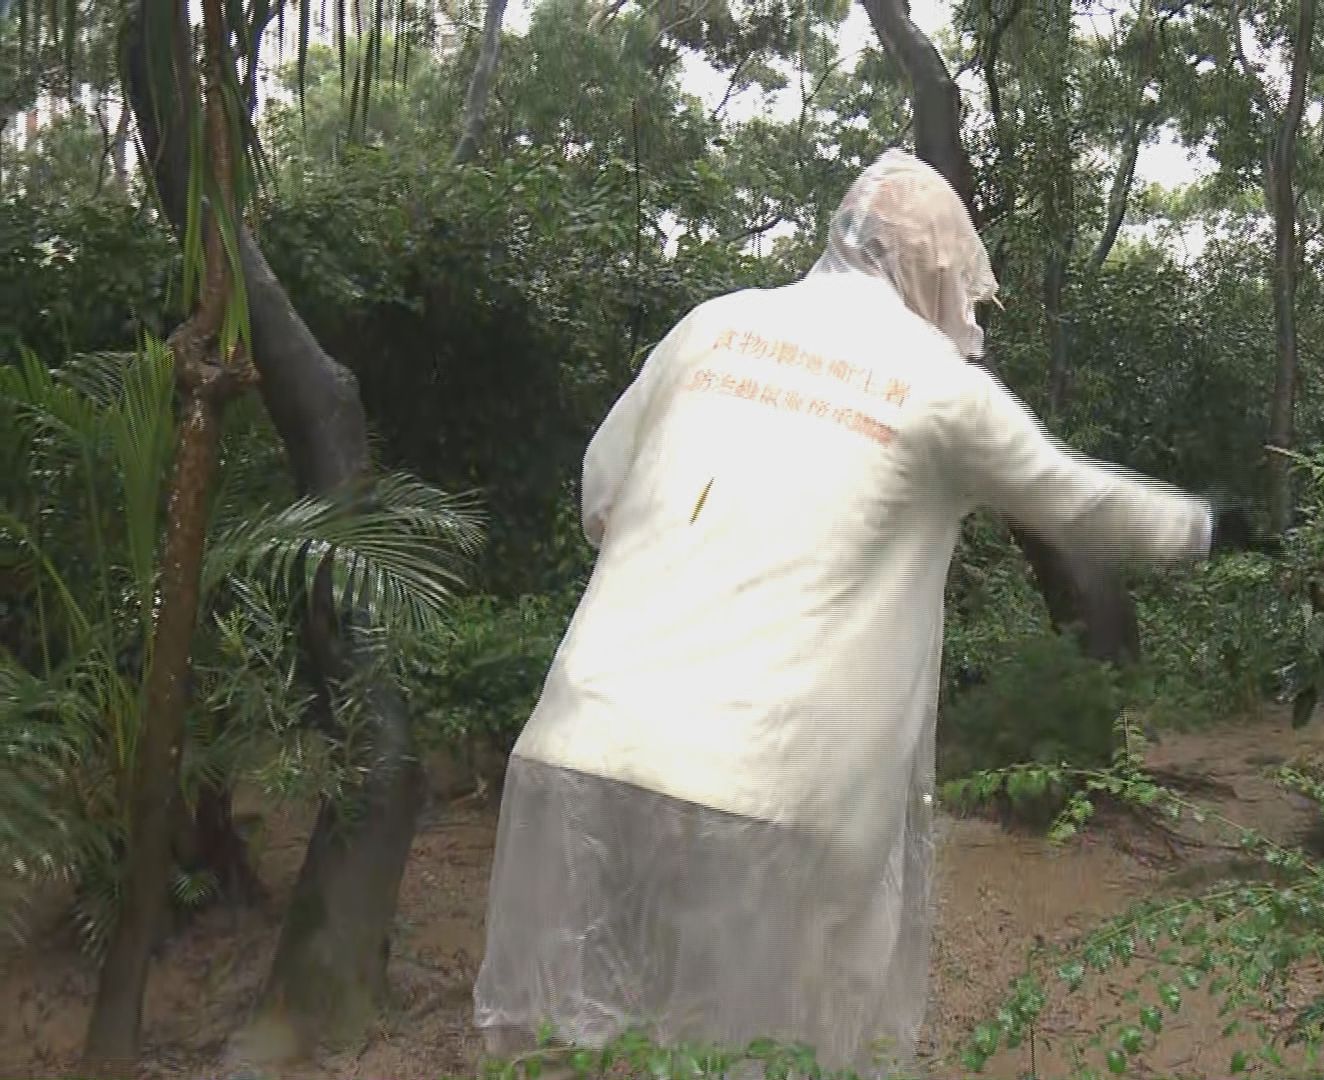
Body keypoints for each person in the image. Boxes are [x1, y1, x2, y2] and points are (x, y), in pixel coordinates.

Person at [471, 150, 1249, 1078]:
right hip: (772, 794)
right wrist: (1211, 527)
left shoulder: (713, 327)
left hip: (581, 749)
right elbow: (1080, 503)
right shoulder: (941, 392)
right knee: (758, 1055)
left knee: (577, 1048)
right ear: (939, 272)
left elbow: (601, 487)